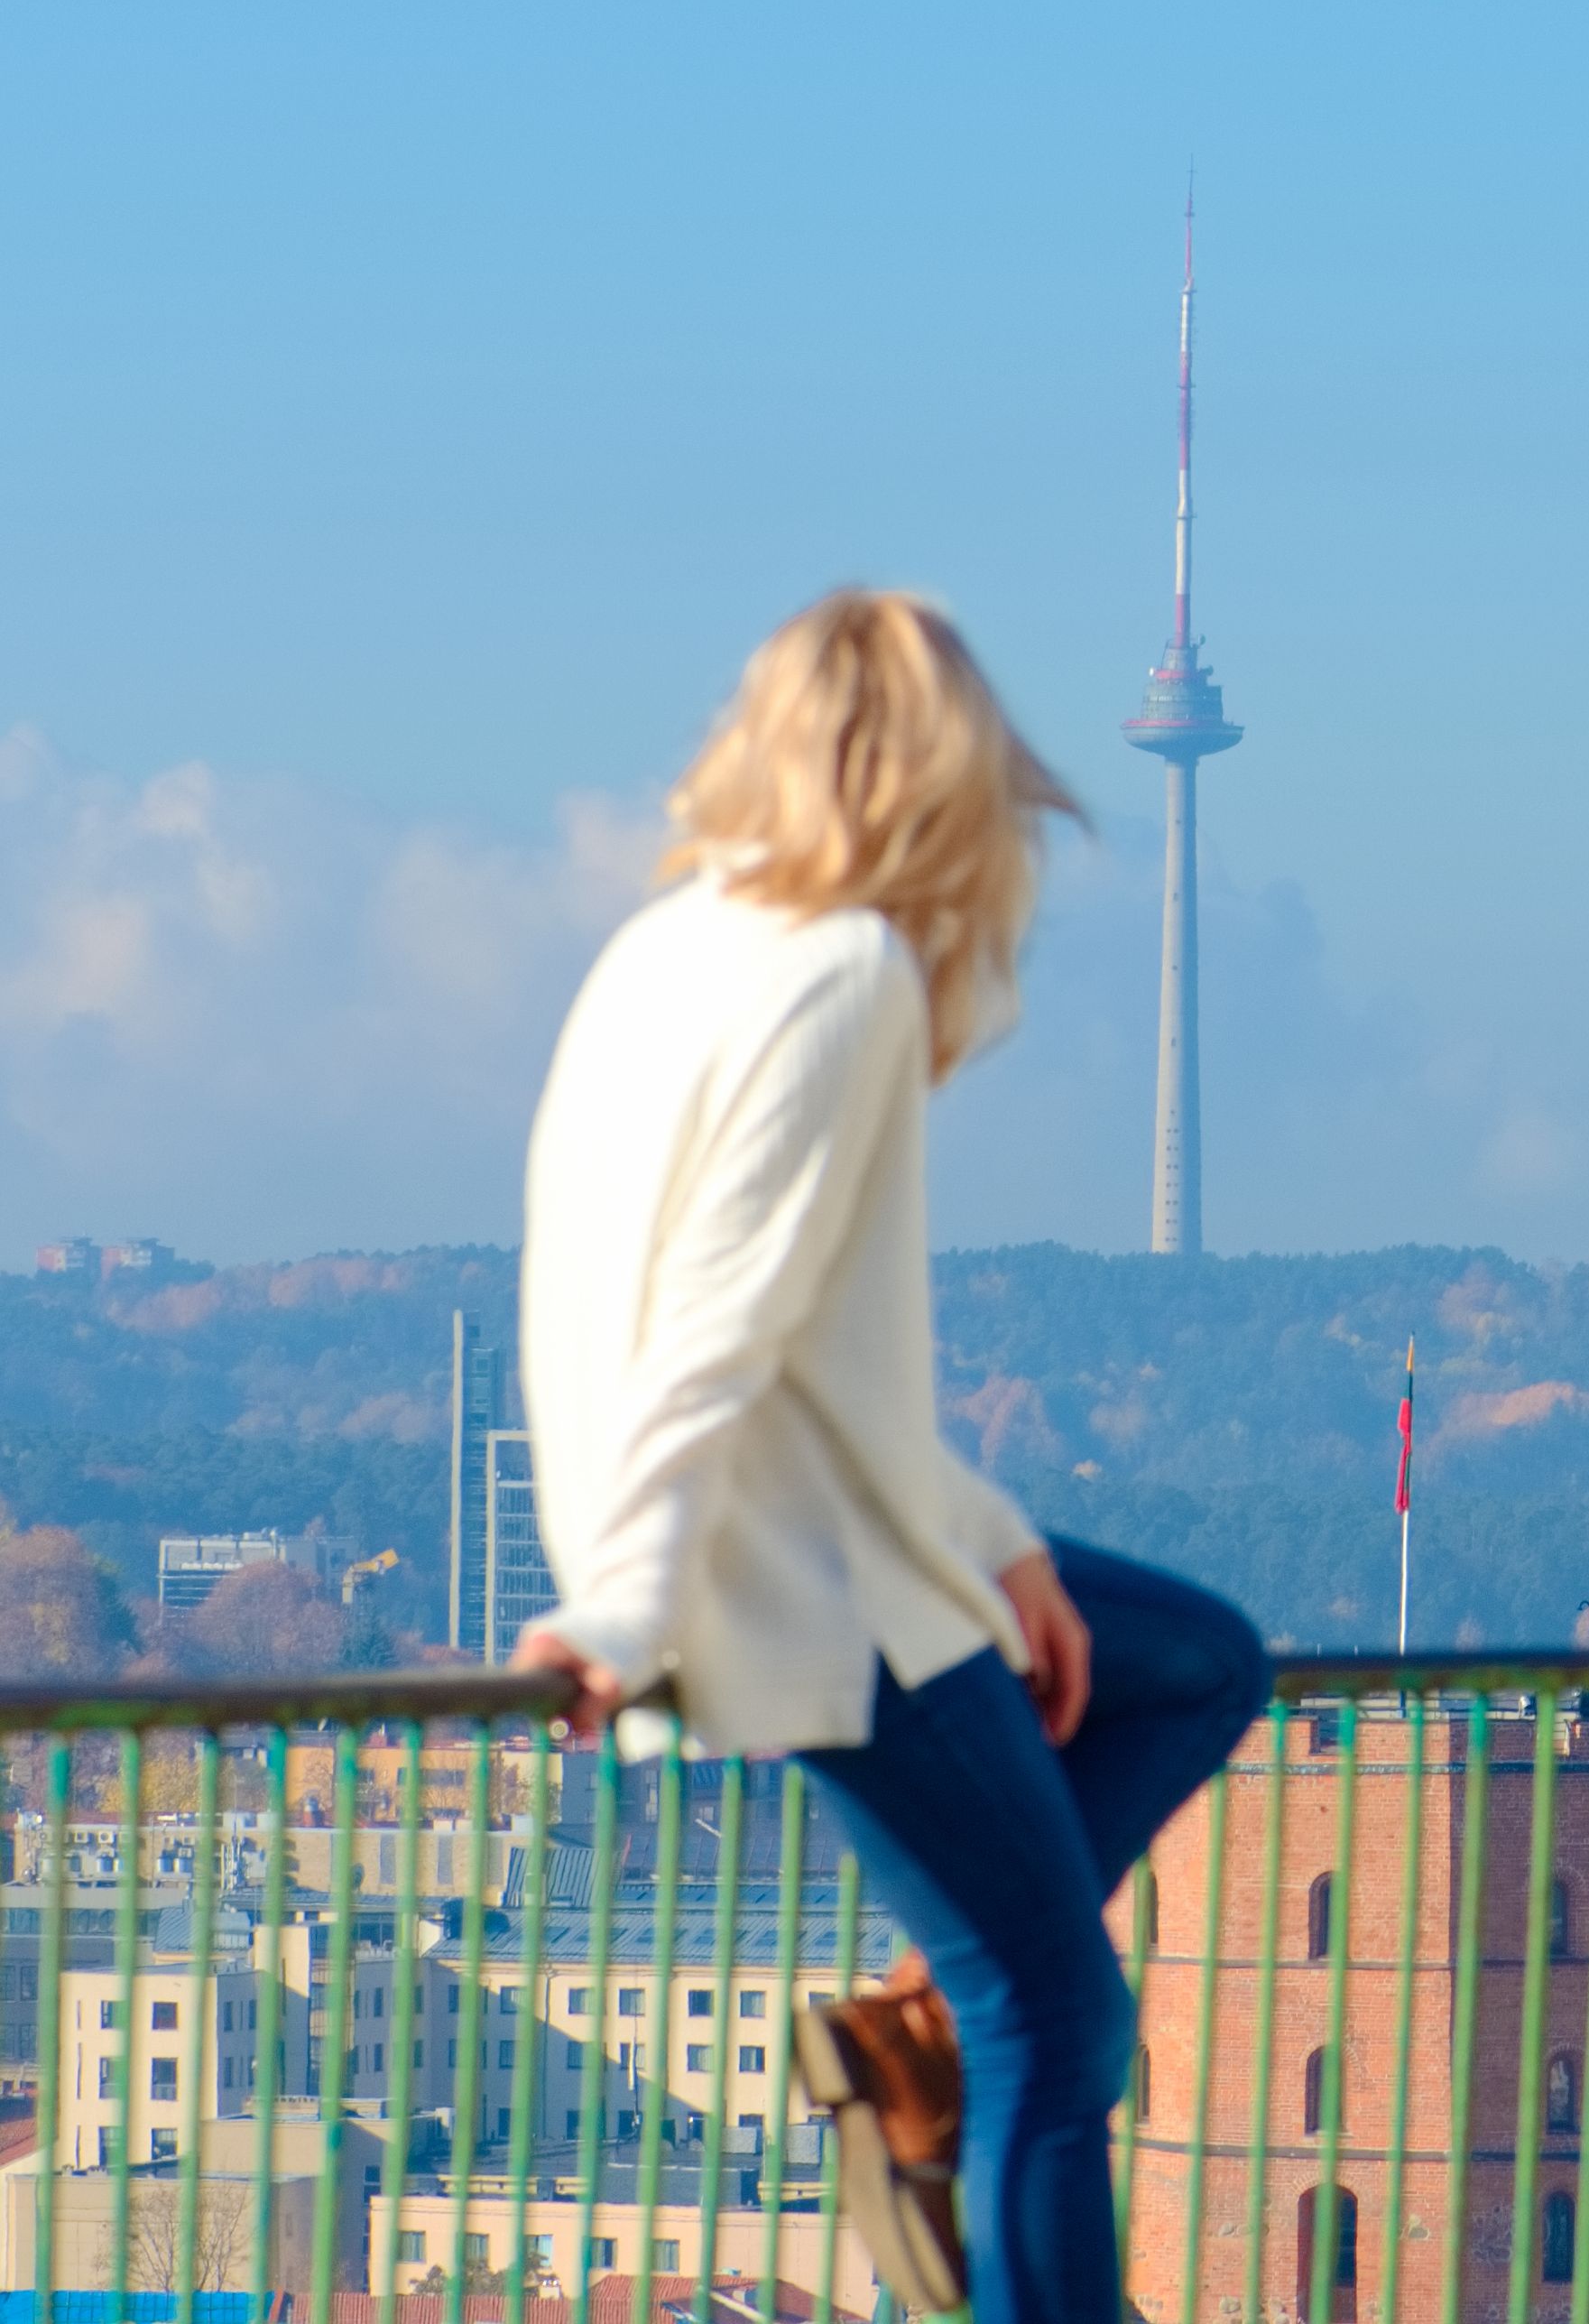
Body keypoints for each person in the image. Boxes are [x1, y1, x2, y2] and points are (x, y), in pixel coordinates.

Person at [513, 590, 1268, 2324]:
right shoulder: (838, 970)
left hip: (834, 1528)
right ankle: (970, 2033)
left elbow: (799, 1343)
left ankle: (928, 2008)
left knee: (1193, 1661)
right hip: (808, 1583)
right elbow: (713, 1323)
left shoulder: (671, 944)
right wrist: (627, 1605)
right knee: (1059, 2032)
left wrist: (997, 1544)